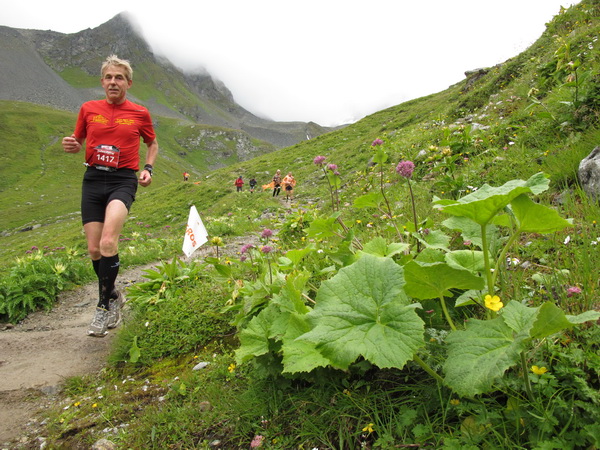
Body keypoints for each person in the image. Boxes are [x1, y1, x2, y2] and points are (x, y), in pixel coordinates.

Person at [62, 55, 158, 337]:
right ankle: (114, 294)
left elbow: (152, 143)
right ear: (102, 82)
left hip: (122, 180)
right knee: (94, 249)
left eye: (119, 78)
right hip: (93, 179)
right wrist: (72, 145)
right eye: (108, 77)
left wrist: (148, 169)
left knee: (108, 242)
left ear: (129, 83)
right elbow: (77, 141)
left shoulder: (139, 113)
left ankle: (103, 307)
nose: (113, 82)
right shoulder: (88, 109)